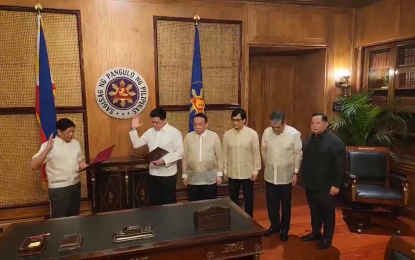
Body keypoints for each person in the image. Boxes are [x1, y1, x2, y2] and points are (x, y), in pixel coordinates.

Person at [300, 113, 346, 250]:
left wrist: (336, 185)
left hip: (327, 186)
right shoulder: (309, 140)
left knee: (327, 213)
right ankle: (315, 233)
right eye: (312, 123)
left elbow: (340, 166)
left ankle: (327, 238)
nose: (314, 125)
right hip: (311, 184)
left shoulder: (335, 141)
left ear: (326, 124)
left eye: (318, 123)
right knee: (314, 211)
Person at [31, 118, 88, 218]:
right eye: (68, 132)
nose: (71, 134)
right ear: (59, 131)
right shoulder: (49, 145)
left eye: (72, 131)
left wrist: (90, 167)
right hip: (59, 189)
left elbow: (78, 161)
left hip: (75, 186)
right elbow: (34, 165)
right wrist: (48, 149)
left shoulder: (76, 144)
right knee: (60, 221)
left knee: (75, 218)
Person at [261, 111, 302, 241]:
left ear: (285, 123)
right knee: (271, 203)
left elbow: (297, 153)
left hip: (286, 176)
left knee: (285, 204)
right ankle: (274, 226)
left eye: (278, 127)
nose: (275, 129)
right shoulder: (267, 132)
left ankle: (284, 229)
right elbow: (264, 150)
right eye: (273, 127)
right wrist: (268, 163)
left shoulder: (294, 134)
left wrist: (295, 172)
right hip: (270, 174)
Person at [129, 108, 183, 206]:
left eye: (157, 122)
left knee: (169, 202)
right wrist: (133, 129)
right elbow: (136, 144)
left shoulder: (174, 132)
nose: (154, 125)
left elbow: (179, 152)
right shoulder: (150, 132)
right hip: (153, 173)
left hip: (168, 174)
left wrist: (164, 161)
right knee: (155, 202)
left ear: (165, 120)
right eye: (152, 122)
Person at [222, 108, 261, 217]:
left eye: (238, 120)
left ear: (244, 120)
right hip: (232, 173)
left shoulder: (252, 134)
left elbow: (256, 153)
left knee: (248, 198)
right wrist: (225, 170)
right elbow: (224, 153)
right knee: (233, 199)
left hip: (248, 173)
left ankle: (249, 221)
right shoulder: (227, 135)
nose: (235, 122)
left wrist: (256, 170)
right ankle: (234, 219)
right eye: (233, 120)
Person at [182, 113, 223, 201]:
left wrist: (219, 175)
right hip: (193, 178)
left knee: (210, 204)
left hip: (210, 178)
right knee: (194, 204)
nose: (198, 127)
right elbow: (184, 158)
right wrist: (184, 175)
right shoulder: (188, 137)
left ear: (206, 124)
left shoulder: (214, 136)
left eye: (200, 124)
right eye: (195, 124)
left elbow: (220, 157)